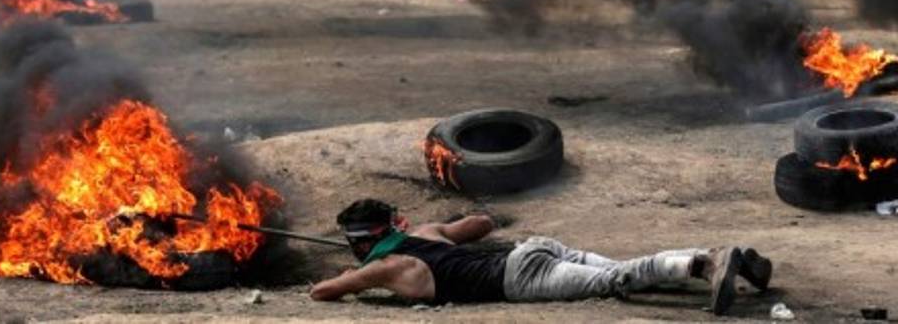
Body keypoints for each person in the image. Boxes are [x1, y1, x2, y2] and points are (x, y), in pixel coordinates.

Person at [309, 198, 772, 316]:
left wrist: (355, 274)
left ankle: (706, 265)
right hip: (533, 247)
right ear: (394, 226)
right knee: (622, 271)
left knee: (616, 280)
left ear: (360, 243)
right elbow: (482, 224)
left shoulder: (385, 268)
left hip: (520, 277)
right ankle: (728, 260)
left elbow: (322, 292)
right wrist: (435, 226)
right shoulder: (427, 232)